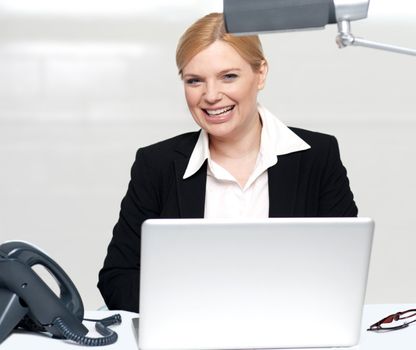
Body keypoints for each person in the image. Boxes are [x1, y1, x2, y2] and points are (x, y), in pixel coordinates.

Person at [98, 12, 358, 313]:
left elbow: (343, 272)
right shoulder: (156, 164)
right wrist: (202, 307)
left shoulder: (317, 156)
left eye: (228, 76)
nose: (210, 96)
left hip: (288, 336)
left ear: (260, 74)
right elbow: (117, 278)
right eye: (195, 81)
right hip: (190, 337)